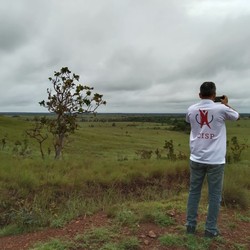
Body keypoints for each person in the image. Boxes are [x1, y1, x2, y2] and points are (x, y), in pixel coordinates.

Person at [185, 81, 240, 238]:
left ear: (199, 95)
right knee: (215, 195)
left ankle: (190, 227)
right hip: (215, 160)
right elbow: (236, 117)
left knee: (194, 192)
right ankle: (210, 230)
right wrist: (226, 104)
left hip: (196, 157)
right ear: (214, 95)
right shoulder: (221, 108)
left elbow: (189, 121)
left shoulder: (191, 109)